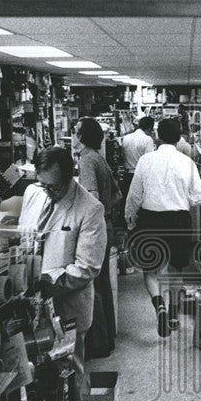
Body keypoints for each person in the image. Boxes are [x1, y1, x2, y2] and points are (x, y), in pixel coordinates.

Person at [19, 147, 107, 401]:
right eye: (42, 183)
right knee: (36, 377)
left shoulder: (90, 209)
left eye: (54, 187)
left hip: (66, 307)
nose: (47, 191)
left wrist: (48, 283)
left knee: (70, 374)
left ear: (70, 177)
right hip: (30, 303)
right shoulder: (34, 193)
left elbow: (88, 267)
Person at [125, 117, 201, 337]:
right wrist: (182, 199)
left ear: (157, 136)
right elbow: (200, 197)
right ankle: (172, 313)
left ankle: (159, 306)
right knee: (176, 270)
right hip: (179, 221)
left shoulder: (145, 161)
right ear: (180, 137)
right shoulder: (186, 162)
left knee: (150, 270)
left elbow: (134, 195)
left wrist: (129, 218)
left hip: (150, 220)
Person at [75, 117, 121, 357]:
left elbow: (91, 198)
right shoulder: (99, 159)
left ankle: (99, 343)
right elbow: (116, 195)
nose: (72, 137)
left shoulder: (86, 161)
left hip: (96, 227)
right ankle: (108, 336)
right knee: (103, 281)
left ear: (82, 137)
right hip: (107, 223)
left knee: (93, 284)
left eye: (75, 132)